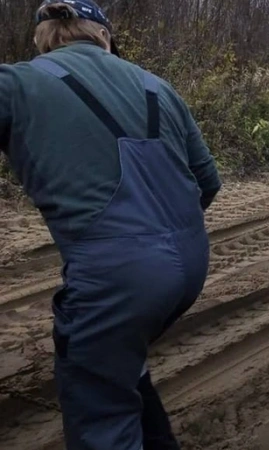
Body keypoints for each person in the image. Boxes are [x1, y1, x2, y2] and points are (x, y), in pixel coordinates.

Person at [0, 1, 222, 448]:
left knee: (99, 401)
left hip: (117, 275)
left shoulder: (17, 83)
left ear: (43, 38)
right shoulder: (156, 85)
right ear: (103, 35)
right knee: (120, 363)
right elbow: (208, 183)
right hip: (190, 263)